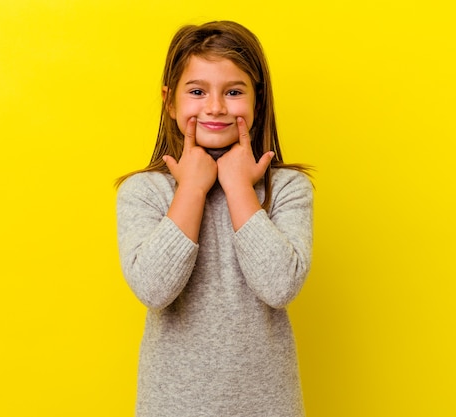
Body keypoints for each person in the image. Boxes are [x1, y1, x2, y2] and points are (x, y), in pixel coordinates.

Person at [116, 20, 313, 417]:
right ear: (170, 102)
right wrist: (191, 189)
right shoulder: (144, 192)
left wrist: (239, 187)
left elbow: (279, 286)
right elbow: (154, 289)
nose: (216, 106)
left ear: (258, 101)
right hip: (172, 407)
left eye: (234, 91)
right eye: (197, 91)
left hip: (268, 407)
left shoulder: (289, 188)